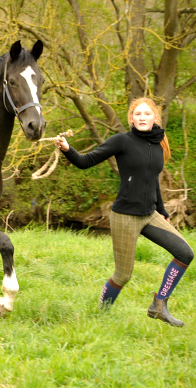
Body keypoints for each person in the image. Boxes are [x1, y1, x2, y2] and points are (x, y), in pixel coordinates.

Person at [54, 98, 193, 327]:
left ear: (154, 118)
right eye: (137, 114)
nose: (141, 117)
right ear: (131, 118)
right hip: (125, 216)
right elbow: (85, 161)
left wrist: (162, 209)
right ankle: (101, 314)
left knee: (185, 253)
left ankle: (159, 305)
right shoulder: (122, 141)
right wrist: (68, 149)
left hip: (150, 215)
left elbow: (152, 179)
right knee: (123, 275)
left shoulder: (159, 143)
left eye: (146, 114)